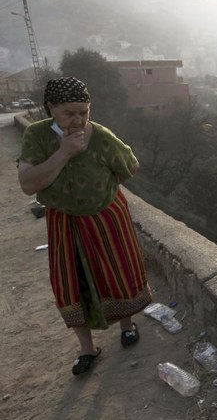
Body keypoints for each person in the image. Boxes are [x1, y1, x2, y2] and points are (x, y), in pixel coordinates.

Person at [17, 77, 152, 375]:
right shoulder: (37, 137)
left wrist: (101, 191)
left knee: (118, 272)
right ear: (51, 108)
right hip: (64, 221)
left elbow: (129, 166)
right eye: (70, 113)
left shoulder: (101, 135)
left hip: (106, 216)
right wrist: (64, 152)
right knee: (70, 283)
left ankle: (127, 326)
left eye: (84, 112)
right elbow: (28, 184)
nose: (78, 120)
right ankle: (87, 349)